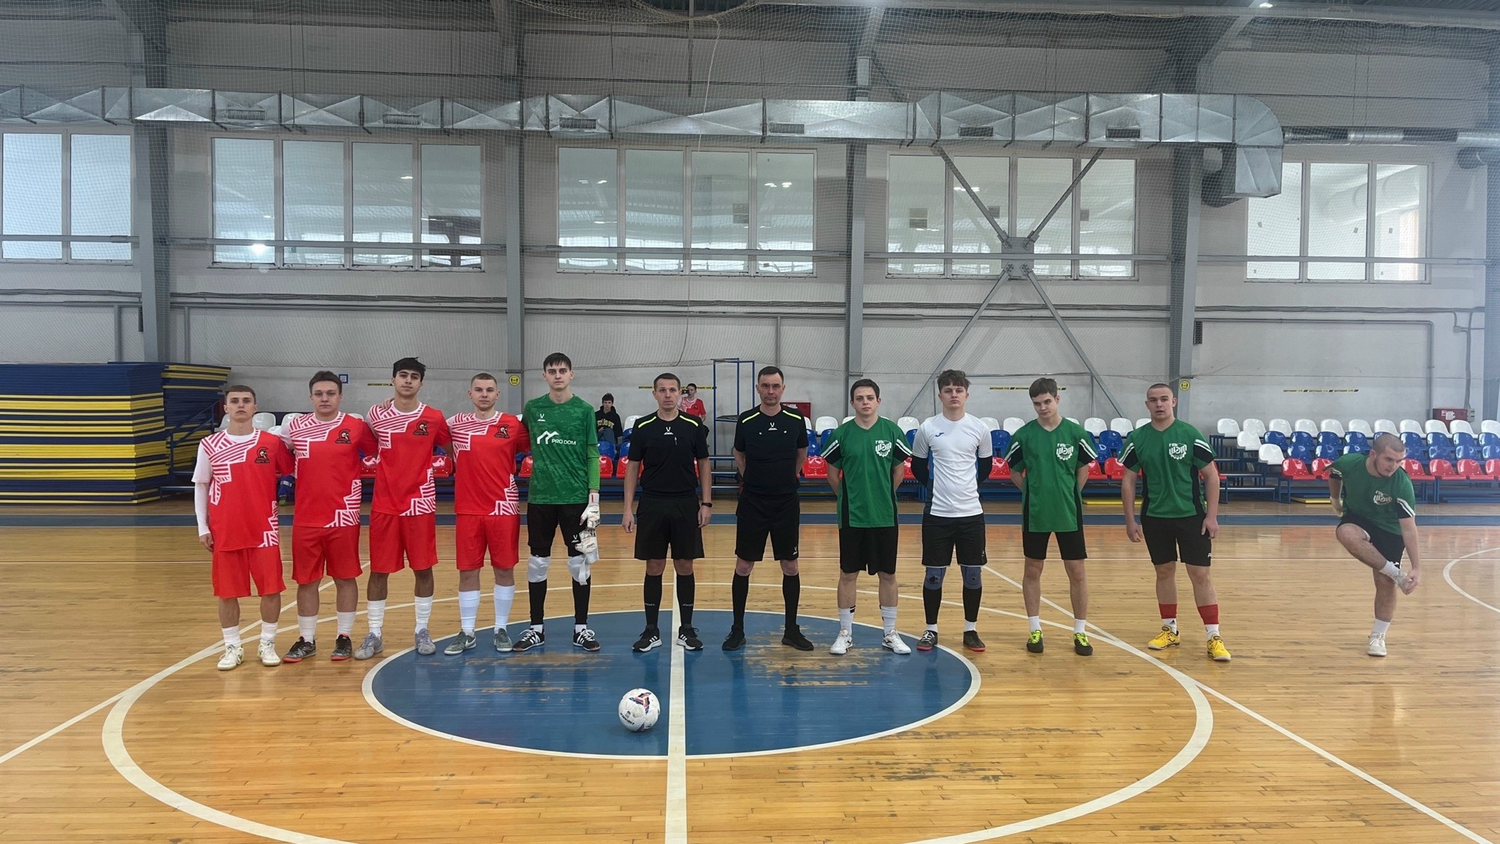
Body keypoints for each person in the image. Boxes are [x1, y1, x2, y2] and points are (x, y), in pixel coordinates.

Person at [1120, 383, 1230, 662]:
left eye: (1164, 399)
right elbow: (1128, 480)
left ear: (1174, 402)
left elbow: (1212, 476)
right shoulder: (1137, 438)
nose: (1159, 404)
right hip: (1155, 517)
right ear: (1147, 404)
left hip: (1191, 516)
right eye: (1153, 400)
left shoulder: (1189, 434)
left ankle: (1213, 636)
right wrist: (1130, 520)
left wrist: (1212, 516)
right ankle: (1170, 630)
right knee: (1164, 572)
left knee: (1200, 574)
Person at [354, 357, 452, 660]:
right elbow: (369, 446)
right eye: (403, 375)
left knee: (423, 568)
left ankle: (422, 629)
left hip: (420, 504)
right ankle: (374, 633)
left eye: (414, 377)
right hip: (385, 505)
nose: (408, 380)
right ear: (393, 380)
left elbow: (455, 449)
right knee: (378, 571)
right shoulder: (376, 414)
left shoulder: (433, 417)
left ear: (421, 383)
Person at [194, 385, 294, 670]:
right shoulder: (209, 444)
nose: (240, 405)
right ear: (226, 408)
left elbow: (293, 469)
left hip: (264, 530)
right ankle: (232, 647)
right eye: (234, 401)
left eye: (246, 401)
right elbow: (201, 486)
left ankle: (267, 643)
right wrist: (203, 527)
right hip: (225, 528)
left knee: (271, 589)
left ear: (255, 407)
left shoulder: (271, 443)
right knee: (227, 592)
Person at [280, 371, 378, 663]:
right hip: (306, 518)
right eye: (319, 394)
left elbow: (380, 453)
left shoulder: (355, 426)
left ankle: (344, 637)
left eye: (331, 393)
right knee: (306, 581)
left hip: (343, 517)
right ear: (311, 397)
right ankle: (307, 640)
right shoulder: (294, 427)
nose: (325, 398)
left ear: (340, 396)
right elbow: (276, 456)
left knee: (345, 578)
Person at [516, 352, 602, 653]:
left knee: (581, 563)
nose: (557, 375)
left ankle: (581, 628)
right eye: (552, 371)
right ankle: (535, 628)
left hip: (577, 499)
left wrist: (594, 497)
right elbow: (515, 439)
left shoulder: (585, 410)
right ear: (544, 375)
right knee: (537, 563)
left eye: (562, 370)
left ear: (571, 374)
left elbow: (592, 454)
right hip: (541, 497)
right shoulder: (533, 408)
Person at [1004, 377, 1096, 656]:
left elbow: (1083, 469)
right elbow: (1014, 471)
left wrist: (1069, 493)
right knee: (1033, 570)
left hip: (1068, 512)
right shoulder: (1024, 436)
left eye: (1047, 401)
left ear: (1057, 399)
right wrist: (1032, 491)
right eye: (1037, 403)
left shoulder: (1076, 433)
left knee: (1077, 572)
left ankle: (1080, 631)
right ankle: (1035, 629)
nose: (1042, 407)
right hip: (1036, 513)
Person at [622, 373, 712, 652]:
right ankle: (651, 630)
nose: (668, 395)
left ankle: (687, 628)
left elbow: (704, 463)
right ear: (654, 394)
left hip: (685, 503)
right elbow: (633, 467)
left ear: (680, 393)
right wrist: (627, 508)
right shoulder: (643, 426)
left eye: (673, 390)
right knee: (654, 566)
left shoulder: (693, 425)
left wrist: (706, 503)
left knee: (685, 565)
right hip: (653, 503)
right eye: (662, 390)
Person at [822, 379, 913, 656]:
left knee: (888, 574)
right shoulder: (841, 435)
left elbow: (899, 471)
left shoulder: (892, 431)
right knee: (848, 574)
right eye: (859, 398)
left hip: (884, 515)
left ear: (878, 401)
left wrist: (881, 494)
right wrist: (849, 497)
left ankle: (890, 633)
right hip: (852, 516)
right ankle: (845, 633)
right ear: (852, 403)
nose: (865, 402)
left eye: (870, 397)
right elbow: (832, 474)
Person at [724, 366, 811, 651]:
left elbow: (801, 452)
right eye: (765, 386)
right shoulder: (747, 420)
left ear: (783, 388)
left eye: (775, 386)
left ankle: (791, 630)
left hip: (786, 503)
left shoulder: (796, 419)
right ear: (758, 388)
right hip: (753, 503)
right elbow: (739, 453)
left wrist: (788, 476)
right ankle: (737, 630)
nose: (770, 391)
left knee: (790, 565)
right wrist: (751, 478)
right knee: (743, 565)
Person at [443, 373, 529, 654]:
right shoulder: (455, 424)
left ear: (497, 394)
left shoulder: (512, 425)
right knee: (468, 571)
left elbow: (538, 444)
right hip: (468, 508)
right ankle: (467, 631)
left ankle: (500, 628)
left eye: (489, 390)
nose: (484, 394)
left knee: (504, 569)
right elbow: (422, 428)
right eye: (478, 390)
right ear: (470, 394)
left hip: (503, 507)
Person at [910, 370, 993, 653]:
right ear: (940, 395)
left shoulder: (979, 428)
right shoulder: (928, 427)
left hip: (971, 514)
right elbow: (919, 467)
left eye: (958, 390)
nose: (953, 394)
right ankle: (931, 629)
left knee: (973, 575)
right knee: (934, 575)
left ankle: (970, 629)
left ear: (967, 394)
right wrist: (938, 488)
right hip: (937, 515)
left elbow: (985, 468)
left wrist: (965, 489)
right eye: (948, 390)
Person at [1328, 433, 1421, 657]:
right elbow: (1334, 474)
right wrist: (1335, 499)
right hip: (1359, 517)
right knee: (1345, 533)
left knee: (1384, 581)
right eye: (1389, 459)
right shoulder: (1350, 463)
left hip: (1390, 528)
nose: (1393, 466)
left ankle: (1378, 636)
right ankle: (1396, 574)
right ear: (1373, 454)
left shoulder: (1401, 483)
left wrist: (1417, 567)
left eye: (1399, 461)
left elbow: (1409, 528)